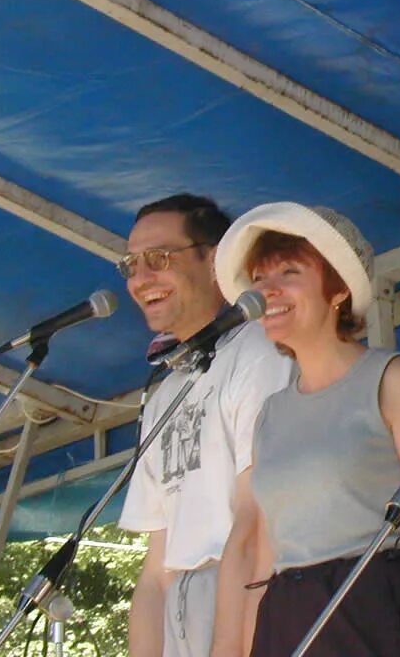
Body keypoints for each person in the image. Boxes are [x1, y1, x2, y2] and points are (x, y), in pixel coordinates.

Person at [208, 202, 400, 657]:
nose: (267, 291)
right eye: (258, 279)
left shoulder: (392, 379)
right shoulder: (270, 414)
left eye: (289, 272)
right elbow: (267, 557)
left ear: (337, 289)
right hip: (286, 616)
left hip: (374, 610)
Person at [118, 194, 293, 657]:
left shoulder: (259, 349)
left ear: (213, 260)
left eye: (158, 259)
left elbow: (256, 523)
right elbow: (156, 571)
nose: (140, 279)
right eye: (130, 265)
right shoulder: (162, 393)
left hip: (249, 592)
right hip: (181, 604)